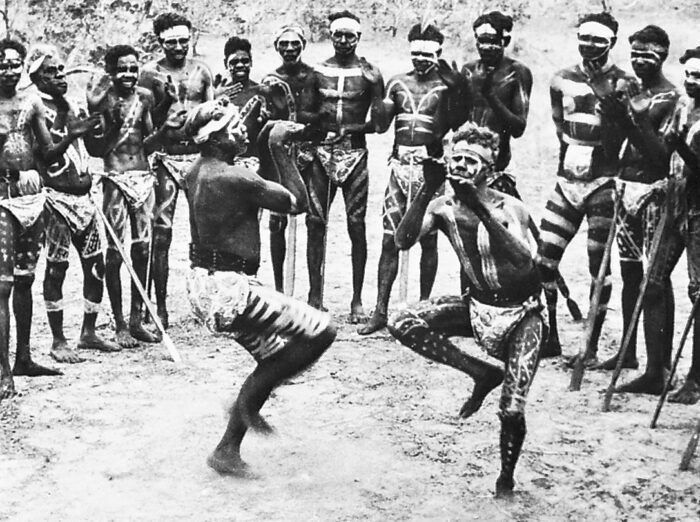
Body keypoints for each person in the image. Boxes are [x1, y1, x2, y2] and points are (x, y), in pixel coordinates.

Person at [387, 123, 545, 496]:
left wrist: (479, 207)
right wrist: (427, 188)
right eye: (455, 158)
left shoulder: (510, 207)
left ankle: (505, 480)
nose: (460, 165)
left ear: (488, 170)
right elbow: (402, 240)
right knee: (401, 321)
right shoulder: (442, 207)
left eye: (470, 160)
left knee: (512, 410)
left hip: (523, 315)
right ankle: (480, 372)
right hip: (477, 307)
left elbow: (525, 260)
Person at [183, 101, 336, 475]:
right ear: (219, 138)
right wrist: (281, 147)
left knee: (272, 362)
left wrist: (267, 135)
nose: (243, 133)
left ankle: (226, 450)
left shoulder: (198, 170)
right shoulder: (235, 178)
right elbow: (296, 203)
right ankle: (244, 407)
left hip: (205, 285)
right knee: (322, 331)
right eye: (237, 128)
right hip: (229, 290)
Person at [0, 39, 98, 401]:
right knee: (3, 287)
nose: (8, 70)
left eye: (13, 64)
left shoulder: (32, 103)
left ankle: (23, 358)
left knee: (25, 282)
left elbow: (46, 152)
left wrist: (72, 135)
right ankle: (3, 372)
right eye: (1, 65)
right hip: (3, 200)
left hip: (33, 199)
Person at [359, 22, 468, 334]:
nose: (420, 59)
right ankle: (380, 311)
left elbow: (457, 122)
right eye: (415, 53)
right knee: (389, 238)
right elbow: (381, 125)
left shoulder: (446, 84)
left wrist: (458, 90)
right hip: (400, 167)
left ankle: (422, 311)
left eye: (427, 53)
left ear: (439, 53)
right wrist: (377, 87)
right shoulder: (398, 82)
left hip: (431, 170)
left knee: (428, 240)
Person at [537, 12, 633, 362]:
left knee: (598, 268)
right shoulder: (561, 79)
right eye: (585, 38)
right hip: (567, 183)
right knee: (543, 261)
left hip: (603, 185)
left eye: (598, 40)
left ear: (612, 43)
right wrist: (567, 170)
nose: (590, 45)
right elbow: (560, 127)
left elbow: (619, 139)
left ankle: (590, 347)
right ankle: (551, 338)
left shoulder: (625, 83)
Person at [592, 26, 679, 373]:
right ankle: (627, 352)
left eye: (648, 54)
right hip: (624, 190)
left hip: (654, 197)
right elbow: (613, 153)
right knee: (629, 275)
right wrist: (611, 114)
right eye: (636, 53)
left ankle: (658, 367)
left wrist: (628, 118)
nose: (640, 60)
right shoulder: (628, 91)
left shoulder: (671, 97)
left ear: (663, 56)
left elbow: (658, 157)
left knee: (655, 281)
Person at [617, 46, 700, 398]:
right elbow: (667, 158)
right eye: (690, 75)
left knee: (698, 295)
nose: (693, 81)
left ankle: (696, 379)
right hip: (674, 205)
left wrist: (679, 147)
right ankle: (656, 370)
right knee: (652, 282)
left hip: (699, 213)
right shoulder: (683, 106)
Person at [28, 45, 119, 362]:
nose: (59, 75)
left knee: (97, 266)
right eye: (50, 72)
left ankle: (89, 333)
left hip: (85, 198)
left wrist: (106, 115)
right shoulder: (35, 107)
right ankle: (57, 340)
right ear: (36, 77)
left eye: (61, 69)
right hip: (56, 202)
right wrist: (69, 126)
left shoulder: (73, 105)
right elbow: (46, 155)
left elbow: (96, 149)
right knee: (57, 269)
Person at [85, 44, 179, 348]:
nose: (127, 74)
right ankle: (120, 323)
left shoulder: (146, 96)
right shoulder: (104, 100)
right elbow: (96, 148)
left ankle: (138, 318)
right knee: (116, 253)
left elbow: (147, 143)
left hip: (142, 178)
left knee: (142, 250)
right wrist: (103, 114)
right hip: (114, 181)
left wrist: (166, 126)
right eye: (121, 69)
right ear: (111, 72)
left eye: (132, 68)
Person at [298, 10, 384, 319]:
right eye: (339, 35)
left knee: (356, 225)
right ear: (330, 36)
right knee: (315, 223)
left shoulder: (370, 72)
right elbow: (304, 114)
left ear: (359, 38)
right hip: (322, 154)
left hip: (355, 154)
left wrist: (376, 90)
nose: (344, 41)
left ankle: (357, 300)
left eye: (350, 36)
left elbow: (380, 123)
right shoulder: (316, 72)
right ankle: (313, 294)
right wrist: (321, 124)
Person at [138, 12, 214, 329]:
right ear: (160, 42)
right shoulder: (148, 74)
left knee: (205, 234)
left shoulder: (202, 71)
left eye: (184, 40)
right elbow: (146, 123)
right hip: (165, 158)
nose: (179, 47)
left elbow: (212, 114)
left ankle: (210, 304)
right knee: (162, 234)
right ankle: (160, 308)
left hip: (197, 158)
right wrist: (163, 103)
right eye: (171, 42)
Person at [262, 25, 315, 293]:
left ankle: (313, 293)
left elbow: (321, 115)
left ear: (303, 45)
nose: (290, 49)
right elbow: (264, 119)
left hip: (308, 154)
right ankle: (281, 289)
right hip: (279, 156)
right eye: (284, 44)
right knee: (277, 221)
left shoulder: (313, 76)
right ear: (276, 47)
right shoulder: (271, 80)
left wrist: (305, 130)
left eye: (295, 43)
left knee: (312, 217)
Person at [462, 10, 532, 197]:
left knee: (502, 222)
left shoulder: (517, 73)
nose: (486, 47)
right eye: (481, 41)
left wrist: (491, 97)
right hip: (466, 161)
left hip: (498, 165)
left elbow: (518, 128)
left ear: (505, 41)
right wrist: (451, 94)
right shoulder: (468, 71)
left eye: (493, 41)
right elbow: (457, 122)